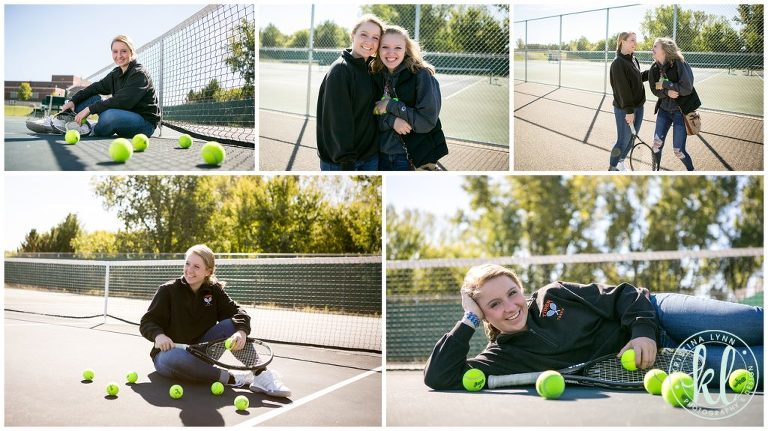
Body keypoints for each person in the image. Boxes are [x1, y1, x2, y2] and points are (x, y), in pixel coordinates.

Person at [424, 264, 763, 390]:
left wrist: (642, 330)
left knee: (752, 322)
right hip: (664, 362)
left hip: (657, 314)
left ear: (521, 290)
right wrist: (466, 319)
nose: (509, 307)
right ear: (483, 314)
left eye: (512, 294)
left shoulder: (553, 294)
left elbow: (624, 295)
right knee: (756, 365)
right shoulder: (501, 358)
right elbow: (439, 377)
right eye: (493, 305)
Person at [139, 244, 291, 397]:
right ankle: (233, 378)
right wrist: (159, 335)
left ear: (208, 271)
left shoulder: (214, 291)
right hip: (169, 356)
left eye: (196, 266)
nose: (189, 270)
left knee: (232, 324)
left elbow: (239, 313)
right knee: (174, 358)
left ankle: (260, 374)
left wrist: (241, 332)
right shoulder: (167, 290)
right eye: (187, 264)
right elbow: (147, 322)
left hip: (204, 353)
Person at [371, 25, 447, 171]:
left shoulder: (421, 75)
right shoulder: (376, 75)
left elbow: (426, 122)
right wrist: (391, 121)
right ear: (378, 49)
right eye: (385, 46)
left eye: (398, 48)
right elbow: (372, 112)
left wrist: (390, 105)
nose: (391, 52)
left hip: (412, 157)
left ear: (406, 48)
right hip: (380, 155)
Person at [316, 15, 384, 171]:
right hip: (344, 162)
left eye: (375, 37)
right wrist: (346, 162)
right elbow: (337, 122)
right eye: (364, 34)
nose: (369, 41)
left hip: (369, 157)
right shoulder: (341, 70)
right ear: (353, 35)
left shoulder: (371, 69)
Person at [61, 35, 160, 138]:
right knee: (92, 98)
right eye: (115, 51)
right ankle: (63, 121)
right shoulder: (115, 73)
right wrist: (73, 100)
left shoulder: (139, 74)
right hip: (121, 115)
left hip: (144, 124)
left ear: (132, 52)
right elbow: (94, 88)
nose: (119, 55)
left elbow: (122, 101)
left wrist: (89, 109)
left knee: (109, 115)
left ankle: (90, 130)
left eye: (124, 51)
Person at [648, 37, 699, 171]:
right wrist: (666, 93)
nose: (652, 49)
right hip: (664, 111)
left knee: (678, 151)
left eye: (655, 46)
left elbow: (687, 88)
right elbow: (654, 89)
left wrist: (666, 85)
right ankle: (655, 170)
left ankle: (691, 171)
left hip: (680, 114)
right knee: (656, 146)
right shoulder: (653, 68)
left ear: (664, 50)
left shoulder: (679, 64)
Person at [608, 31, 648, 171]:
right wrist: (629, 111)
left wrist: (651, 73)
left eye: (635, 40)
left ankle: (620, 163)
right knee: (622, 141)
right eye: (632, 40)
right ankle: (612, 167)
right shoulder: (618, 63)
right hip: (625, 109)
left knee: (631, 139)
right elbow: (622, 89)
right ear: (622, 42)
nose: (635, 43)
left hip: (639, 107)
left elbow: (637, 78)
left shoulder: (633, 59)